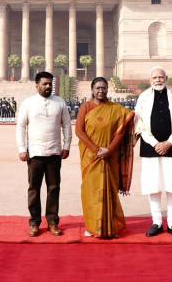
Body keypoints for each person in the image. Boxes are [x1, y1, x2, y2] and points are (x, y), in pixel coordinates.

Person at [75, 77, 135, 239]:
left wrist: (108, 150)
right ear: (92, 90)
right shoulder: (85, 107)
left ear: (107, 89)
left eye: (103, 88)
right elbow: (79, 131)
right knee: (91, 192)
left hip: (110, 156)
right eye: (97, 88)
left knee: (110, 191)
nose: (100, 91)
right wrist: (96, 150)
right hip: (90, 157)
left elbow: (121, 131)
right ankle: (92, 227)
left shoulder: (116, 109)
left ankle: (112, 228)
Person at [134, 67, 172, 239]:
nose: (158, 80)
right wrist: (156, 143)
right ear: (150, 80)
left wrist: (169, 142)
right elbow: (139, 123)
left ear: (166, 78)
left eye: (161, 77)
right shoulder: (143, 97)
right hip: (150, 147)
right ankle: (156, 222)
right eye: (155, 77)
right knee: (154, 186)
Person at [16, 71, 72, 237]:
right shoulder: (28, 103)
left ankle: (53, 222)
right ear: (37, 85)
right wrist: (21, 148)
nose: (48, 86)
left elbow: (67, 125)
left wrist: (67, 145)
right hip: (35, 153)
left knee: (53, 188)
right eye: (45, 84)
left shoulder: (60, 102)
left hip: (54, 152)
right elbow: (20, 126)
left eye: (50, 84)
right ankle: (34, 222)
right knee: (34, 189)